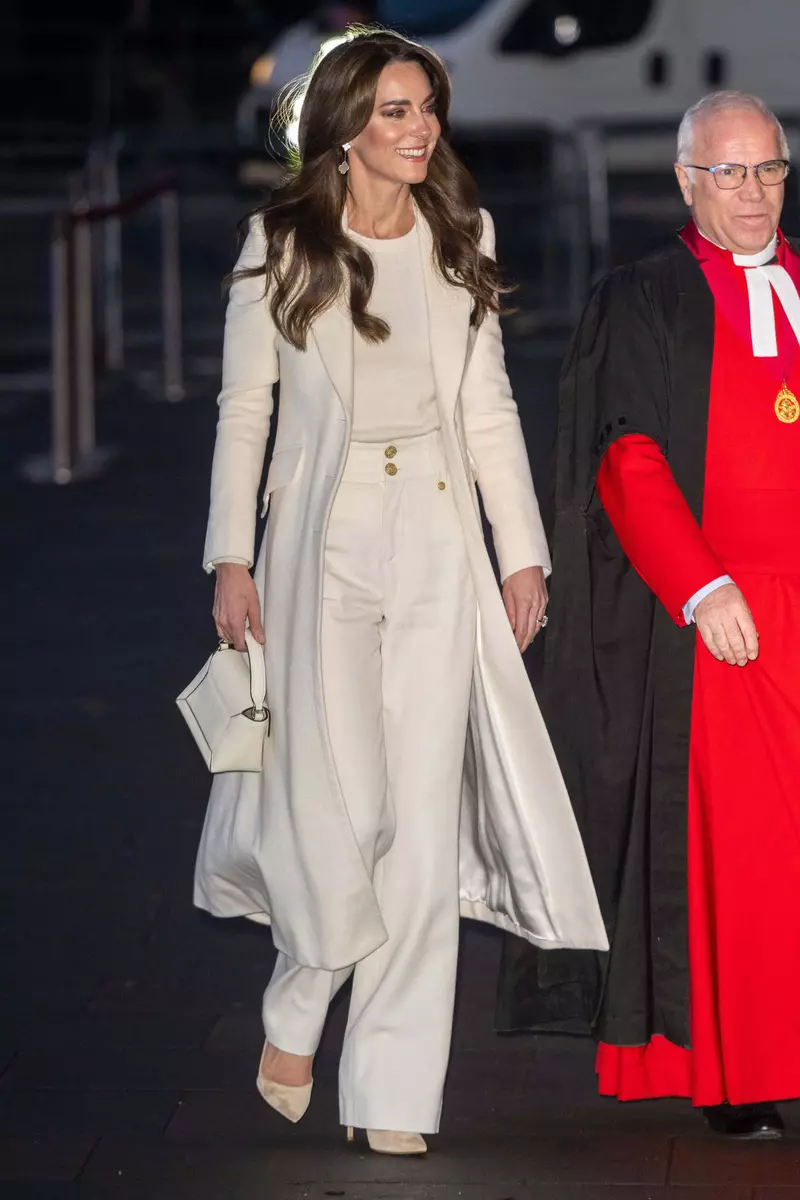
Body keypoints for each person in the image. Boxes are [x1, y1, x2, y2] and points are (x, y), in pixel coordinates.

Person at [192, 28, 605, 1155]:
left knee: (419, 826)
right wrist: (230, 555)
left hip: (434, 542)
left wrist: (520, 551)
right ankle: (300, 988)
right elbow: (245, 413)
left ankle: (389, 1097)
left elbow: (488, 410)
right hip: (319, 550)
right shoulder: (278, 240)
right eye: (393, 111)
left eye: (426, 108)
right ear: (342, 125)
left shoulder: (458, 235)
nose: (419, 129)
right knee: (348, 808)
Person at [498, 90, 800, 1139]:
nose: (751, 193)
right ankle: (740, 1073)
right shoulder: (643, 296)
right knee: (749, 867)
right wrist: (700, 585)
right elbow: (626, 457)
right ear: (684, 181)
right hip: (723, 621)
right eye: (727, 172)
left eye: (766, 169)